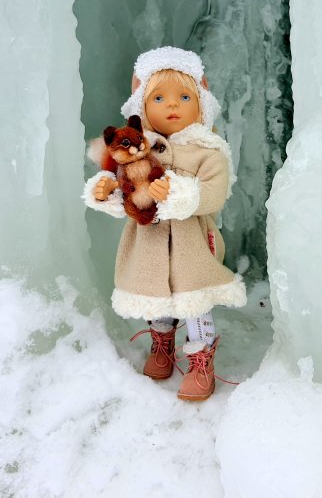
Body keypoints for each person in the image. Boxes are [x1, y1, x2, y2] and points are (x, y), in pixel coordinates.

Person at [83, 46, 246, 401]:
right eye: (159, 97)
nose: (172, 105)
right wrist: (107, 192)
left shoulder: (209, 152)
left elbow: (214, 194)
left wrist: (177, 194)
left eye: (184, 96)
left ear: (201, 103)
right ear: (142, 105)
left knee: (194, 300)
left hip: (192, 244)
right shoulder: (135, 147)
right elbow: (126, 191)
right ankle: (162, 343)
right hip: (149, 242)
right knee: (156, 296)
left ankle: (202, 359)